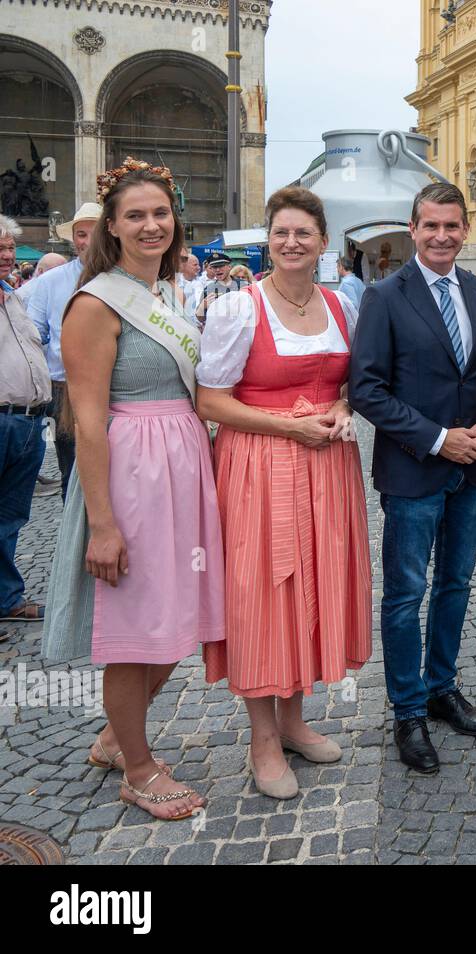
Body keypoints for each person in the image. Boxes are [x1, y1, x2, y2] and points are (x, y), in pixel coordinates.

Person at [41, 158, 225, 819]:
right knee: (136, 629)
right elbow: (86, 422)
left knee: (178, 623)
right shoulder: (94, 305)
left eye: (160, 213)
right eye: (136, 216)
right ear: (110, 229)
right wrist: (103, 523)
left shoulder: (167, 296)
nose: (152, 225)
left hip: (182, 467)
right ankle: (138, 768)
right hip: (132, 475)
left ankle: (116, 740)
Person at [196, 187, 372, 799]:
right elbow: (210, 399)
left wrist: (344, 406)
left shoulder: (341, 305)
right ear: (268, 241)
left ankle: (294, 720)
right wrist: (288, 425)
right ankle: (262, 738)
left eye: (303, 233)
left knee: (314, 587)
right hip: (259, 465)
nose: (291, 243)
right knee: (265, 593)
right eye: (280, 233)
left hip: (327, 466)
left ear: (324, 242)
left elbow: (354, 382)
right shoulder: (238, 309)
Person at [349, 181, 476, 773]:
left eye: (453, 226)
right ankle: (408, 710)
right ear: (413, 230)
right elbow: (366, 389)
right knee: (406, 594)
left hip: (475, 470)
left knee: (456, 586)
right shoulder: (385, 297)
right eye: (431, 226)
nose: (442, 236)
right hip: (415, 471)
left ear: (466, 230)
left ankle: (442, 687)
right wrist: (441, 439)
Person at [24, 202, 101, 499]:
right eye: (80, 235)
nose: (85, 242)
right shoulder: (49, 282)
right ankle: (74, 537)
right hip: (65, 387)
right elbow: (33, 334)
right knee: (72, 469)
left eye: (92, 234)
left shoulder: (125, 277)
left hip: (118, 386)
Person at [0, 215, 52, 625]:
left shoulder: (13, 295)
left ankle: (6, 599)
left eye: (9, 248)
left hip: (29, 421)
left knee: (11, 516)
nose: (6, 256)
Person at [195, 254, 248, 327]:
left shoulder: (244, 286)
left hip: (239, 332)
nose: (217, 270)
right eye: (214, 267)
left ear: (229, 267)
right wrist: (202, 306)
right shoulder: (208, 289)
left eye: (221, 266)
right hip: (218, 334)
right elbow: (201, 319)